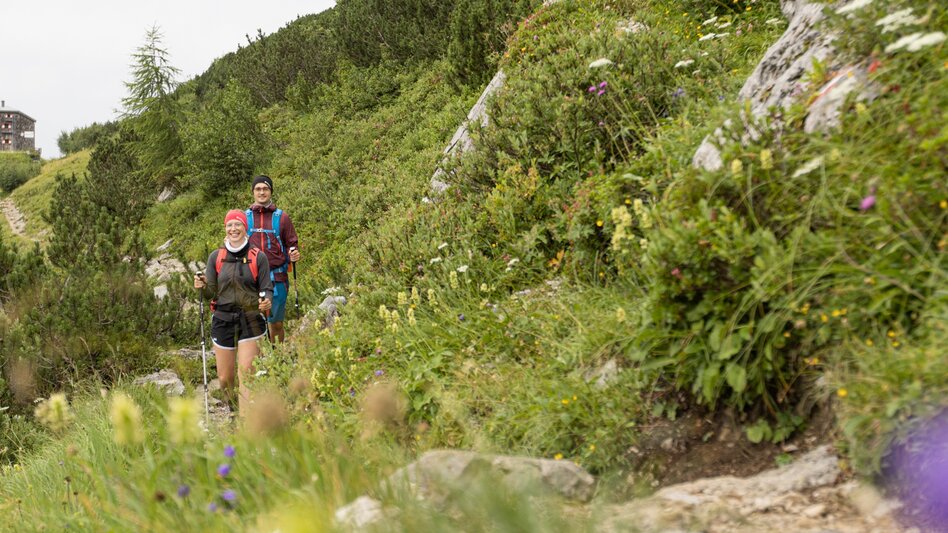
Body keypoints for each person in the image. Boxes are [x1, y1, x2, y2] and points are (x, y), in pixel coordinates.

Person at [194, 209, 272, 414]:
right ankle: (233, 410)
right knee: (224, 378)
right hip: (223, 319)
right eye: (229, 225)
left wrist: (267, 301)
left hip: (251, 319)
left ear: (245, 228)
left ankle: (246, 424)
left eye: (237, 224)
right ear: (225, 229)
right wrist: (202, 285)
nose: (233, 228)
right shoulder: (216, 257)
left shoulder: (258, 257)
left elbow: (266, 287)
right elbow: (211, 292)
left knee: (247, 373)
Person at [246, 175, 300, 343]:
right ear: (253, 192)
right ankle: (258, 362)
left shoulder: (282, 218)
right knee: (254, 323)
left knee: (276, 323)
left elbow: (292, 243)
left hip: (277, 278)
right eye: (258, 189)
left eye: (265, 189)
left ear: (270, 191)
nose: (262, 192)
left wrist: (294, 254)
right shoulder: (244, 218)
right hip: (252, 278)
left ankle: (277, 359)